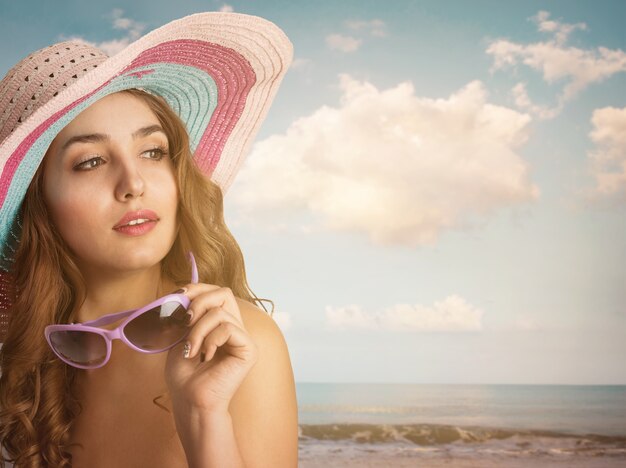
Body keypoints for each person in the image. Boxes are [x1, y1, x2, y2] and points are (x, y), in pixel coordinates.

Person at [0, 11, 297, 468]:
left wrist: (203, 417)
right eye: (91, 162)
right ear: (37, 204)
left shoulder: (240, 346)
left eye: (153, 151)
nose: (133, 183)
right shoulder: (20, 370)